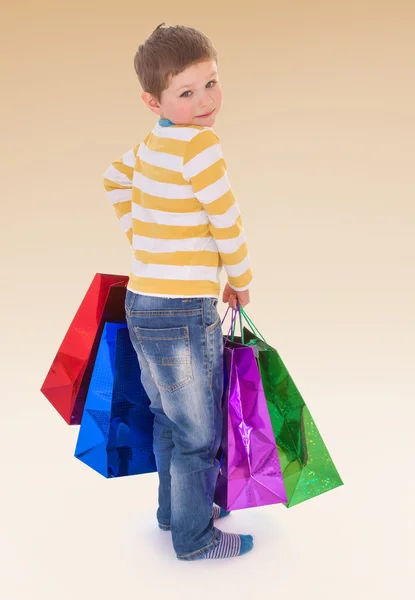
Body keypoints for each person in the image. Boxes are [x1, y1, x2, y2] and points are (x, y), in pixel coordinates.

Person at [103, 23, 253, 561]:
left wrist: (143, 239)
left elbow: (113, 178)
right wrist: (241, 278)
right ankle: (194, 538)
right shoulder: (203, 147)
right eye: (186, 93)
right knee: (198, 435)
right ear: (154, 99)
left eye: (211, 83)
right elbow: (226, 223)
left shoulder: (153, 143)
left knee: (169, 419)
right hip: (185, 312)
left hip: (142, 304)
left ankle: (174, 513)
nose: (205, 101)